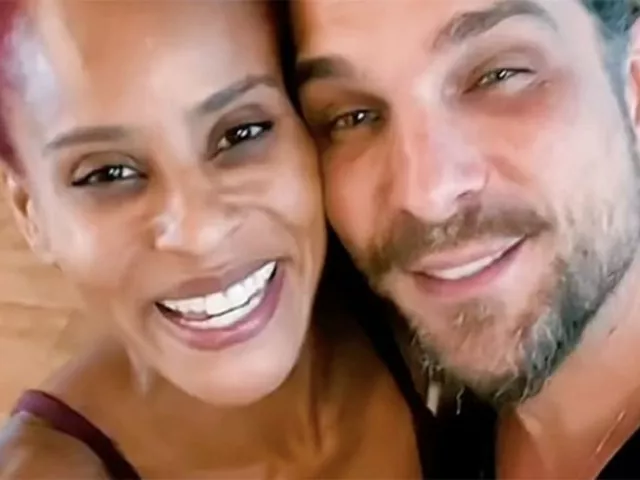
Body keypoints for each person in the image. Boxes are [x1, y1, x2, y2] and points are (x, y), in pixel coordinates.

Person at [0, 1, 424, 477]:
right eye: (108, 174)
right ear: (31, 213)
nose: (201, 234)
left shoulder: (422, 294)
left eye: (242, 132)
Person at [291, 0, 640, 477]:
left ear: (634, 82)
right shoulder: (416, 437)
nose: (426, 196)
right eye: (352, 116)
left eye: (498, 76)